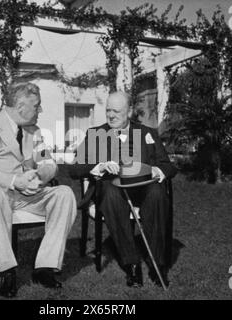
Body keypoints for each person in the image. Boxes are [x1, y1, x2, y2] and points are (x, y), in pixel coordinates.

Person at [0, 82, 77, 298]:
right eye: (37, 106)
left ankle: (45, 267)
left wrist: (40, 175)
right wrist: (14, 180)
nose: (40, 110)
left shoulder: (34, 131)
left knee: (65, 194)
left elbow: (49, 164)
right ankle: (8, 271)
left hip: (29, 194)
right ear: (20, 106)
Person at [71, 91, 177, 288]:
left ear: (129, 112)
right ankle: (132, 263)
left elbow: (169, 166)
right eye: (108, 110)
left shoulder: (147, 133)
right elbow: (74, 168)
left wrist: (157, 170)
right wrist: (99, 165)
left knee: (157, 193)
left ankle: (158, 265)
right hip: (111, 190)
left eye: (116, 111)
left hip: (143, 189)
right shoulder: (95, 134)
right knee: (111, 194)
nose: (110, 115)